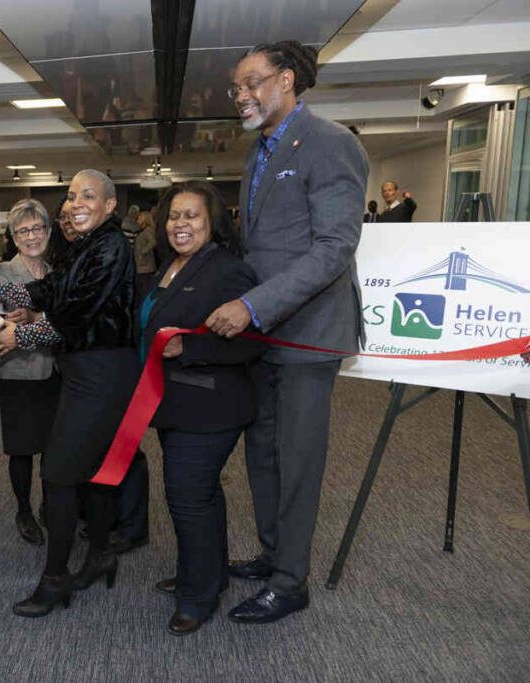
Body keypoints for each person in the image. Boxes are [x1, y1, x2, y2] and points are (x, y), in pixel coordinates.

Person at [207, 40, 367, 623]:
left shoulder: (331, 143)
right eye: (237, 87)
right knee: (264, 455)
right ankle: (276, 556)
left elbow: (334, 249)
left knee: (297, 461)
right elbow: (260, 247)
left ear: (289, 80)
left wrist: (254, 304)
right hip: (264, 336)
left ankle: (291, 581)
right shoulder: (258, 152)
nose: (241, 95)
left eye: (251, 82)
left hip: (308, 335)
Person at [0, 169, 139, 618]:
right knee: (90, 471)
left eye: (87, 196)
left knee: (56, 474)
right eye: (70, 197)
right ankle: (100, 555)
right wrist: (0, 289)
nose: (75, 204)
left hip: (102, 374)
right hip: (86, 371)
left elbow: (73, 313)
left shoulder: (110, 247)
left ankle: (55, 580)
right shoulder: (85, 246)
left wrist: (20, 338)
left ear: (110, 206)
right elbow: (51, 289)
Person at [140, 182, 265, 635]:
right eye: (174, 216)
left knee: (188, 497)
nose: (180, 224)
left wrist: (187, 349)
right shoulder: (170, 266)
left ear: (212, 222)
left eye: (191, 215)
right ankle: (204, 575)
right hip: (175, 402)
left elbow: (252, 343)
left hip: (211, 406)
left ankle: (199, 596)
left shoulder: (229, 271)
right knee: (201, 497)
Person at [0, 199, 60, 546]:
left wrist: (36, 318)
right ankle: (23, 509)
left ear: (48, 231)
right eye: (23, 231)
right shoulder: (3, 273)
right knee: (21, 449)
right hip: (18, 372)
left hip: (57, 373)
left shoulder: (56, 270)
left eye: (37, 228)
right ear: (14, 237)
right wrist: (8, 324)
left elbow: (66, 319)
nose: (32, 236)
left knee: (53, 445)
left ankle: (49, 504)